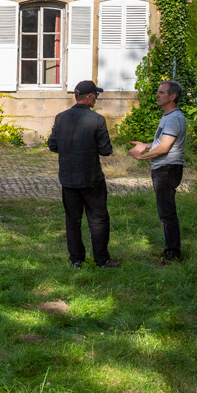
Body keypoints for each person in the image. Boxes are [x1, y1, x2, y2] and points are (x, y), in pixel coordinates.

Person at [48, 80, 120, 269]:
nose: (97, 99)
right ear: (89, 97)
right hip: (92, 178)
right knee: (98, 219)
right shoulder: (97, 120)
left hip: (68, 178)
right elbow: (105, 150)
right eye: (96, 95)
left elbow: (53, 145)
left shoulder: (61, 118)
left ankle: (76, 259)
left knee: (73, 220)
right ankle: (102, 260)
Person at [127, 80, 187, 263]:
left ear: (172, 96)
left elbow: (164, 149)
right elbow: (161, 143)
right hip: (164, 169)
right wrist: (145, 145)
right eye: (158, 92)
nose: (157, 95)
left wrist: (141, 157)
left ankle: (173, 255)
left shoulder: (174, 118)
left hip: (167, 169)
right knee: (165, 212)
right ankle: (170, 250)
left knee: (167, 212)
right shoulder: (168, 116)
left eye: (161, 92)